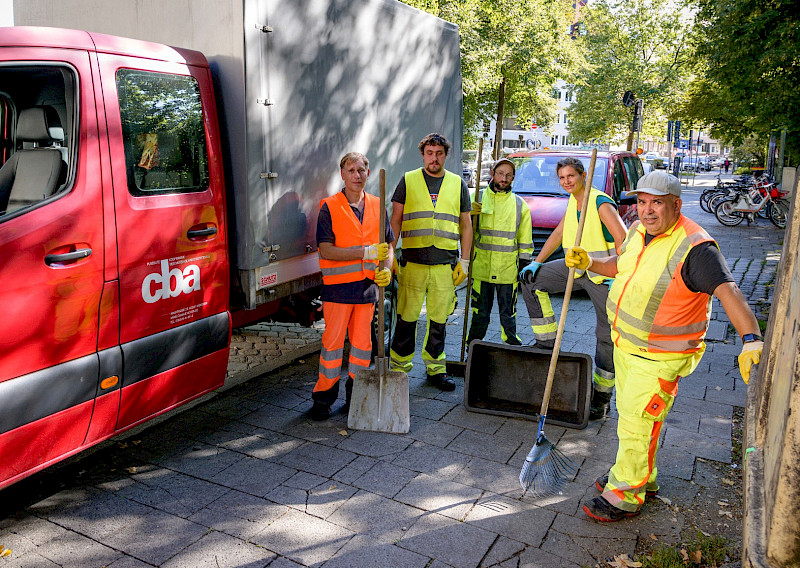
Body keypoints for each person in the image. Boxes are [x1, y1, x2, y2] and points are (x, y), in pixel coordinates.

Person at [566, 170, 763, 522]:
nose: (647, 210)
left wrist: (750, 339)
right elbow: (621, 267)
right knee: (635, 419)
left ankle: (626, 492)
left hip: (660, 356)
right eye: (642, 202)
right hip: (628, 345)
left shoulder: (696, 246)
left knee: (636, 423)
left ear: (676, 204)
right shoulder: (639, 233)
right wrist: (591, 263)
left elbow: (727, 290)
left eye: (657, 203)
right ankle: (642, 476)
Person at [518, 157, 627, 419]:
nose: (567, 181)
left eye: (571, 176)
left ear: (583, 175)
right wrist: (537, 262)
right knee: (531, 282)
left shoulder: (599, 203)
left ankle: (601, 398)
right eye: (563, 178)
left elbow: (623, 239)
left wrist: (619, 272)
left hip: (603, 276)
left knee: (606, 337)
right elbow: (558, 233)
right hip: (575, 270)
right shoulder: (573, 201)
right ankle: (546, 344)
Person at [309, 152, 394, 421]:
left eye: (362, 170)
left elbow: (389, 246)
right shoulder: (330, 207)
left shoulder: (378, 206)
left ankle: (355, 398)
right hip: (337, 291)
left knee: (361, 348)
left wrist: (388, 270)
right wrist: (367, 252)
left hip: (367, 290)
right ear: (342, 174)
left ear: (368, 174)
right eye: (352, 170)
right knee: (332, 347)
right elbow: (326, 250)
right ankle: (323, 399)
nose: (357, 175)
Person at [389, 133, 473, 391]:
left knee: (439, 320)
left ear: (445, 155)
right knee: (406, 318)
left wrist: (465, 261)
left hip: (444, 264)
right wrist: (390, 255)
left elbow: (466, 225)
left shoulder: (457, 183)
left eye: (439, 153)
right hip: (412, 263)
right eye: (429, 153)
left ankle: (436, 369)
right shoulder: (409, 180)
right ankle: (398, 369)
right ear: (422, 154)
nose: (434, 158)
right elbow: (395, 220)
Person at [466, 158, 533, 345]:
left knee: (508, 312)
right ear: (493, 174)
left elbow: (525, 240)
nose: (504, 178)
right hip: (481, 267)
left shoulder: (520, 206)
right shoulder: (475, 199)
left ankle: (511, 345)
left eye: (508, 175)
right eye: (501, 173)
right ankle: (472, 346)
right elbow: (464, 231)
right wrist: (470, 217)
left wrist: (525, 265)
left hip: (507, 270)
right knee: (480, 312)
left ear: (513, 178)